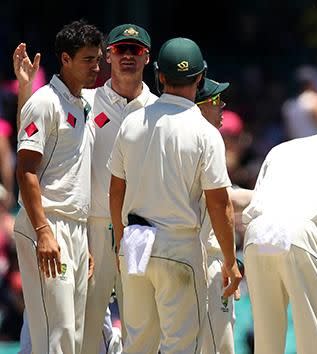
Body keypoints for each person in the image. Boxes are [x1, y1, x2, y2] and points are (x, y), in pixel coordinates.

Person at [13, 23, 158, 354]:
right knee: (72, 326)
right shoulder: (87, 99)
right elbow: (36, 135)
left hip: (136, 231)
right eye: (121, 49)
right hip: (87, 224)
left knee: (142, 325)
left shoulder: (157, 109)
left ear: (146, 57)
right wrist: (25, 91)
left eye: (135, 51)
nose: (127, 56)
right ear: (109, 55)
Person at [108, 37, 241, 353]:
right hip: (178, 244)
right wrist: (230, 261)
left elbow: (116, 189)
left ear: (160, 76)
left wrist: (120, 240)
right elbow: (219, 204)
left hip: (136, 241)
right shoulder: (205, 133)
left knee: (137, 345)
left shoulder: (131, 123)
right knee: (180, 346)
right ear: (200, 78)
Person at [13, 20, 102, 354]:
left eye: (98, 59)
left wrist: (82, 239)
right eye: (88, 60)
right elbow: (26, 171)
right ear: (65, 59)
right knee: (59, 335)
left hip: (74, 231)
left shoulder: (81, 104)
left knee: (72, 338)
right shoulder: (45, 101)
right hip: (47, 225)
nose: (97, 67)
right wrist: (44, 231)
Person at [242, 117, 317, 354]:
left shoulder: (280, 149)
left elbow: (256, 202)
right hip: (298, 233)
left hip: (257, 235)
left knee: (266, 344)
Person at [195, 77, 253, 354]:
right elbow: (222, 200)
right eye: (216, 101)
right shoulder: (205, 141)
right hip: (209, 261)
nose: (228, 142)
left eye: (233, 137)